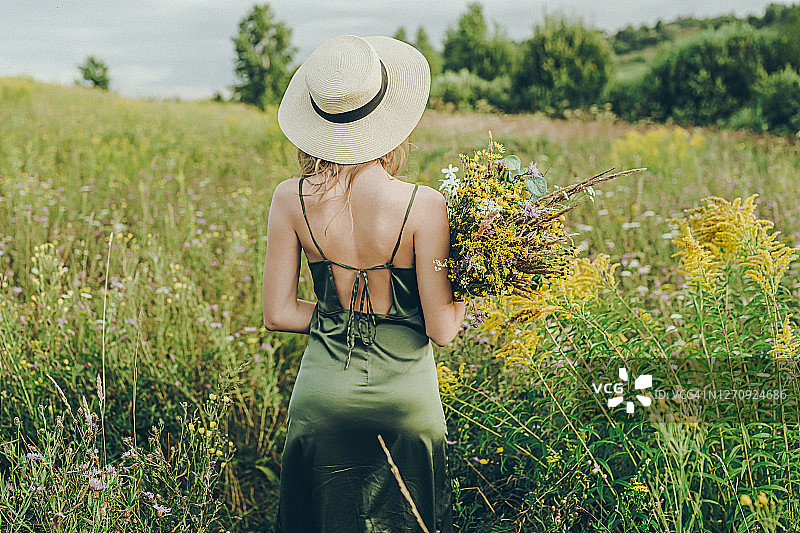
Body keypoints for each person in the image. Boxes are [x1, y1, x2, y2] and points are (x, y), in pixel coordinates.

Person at [261, 34, 466, 532]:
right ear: (388, 117)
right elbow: (442, 330)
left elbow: (279, 313)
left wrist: (338, 316)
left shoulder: (289, 199)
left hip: (321, 402)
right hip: (406, 407)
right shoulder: (425, 205)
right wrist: (475, 280)